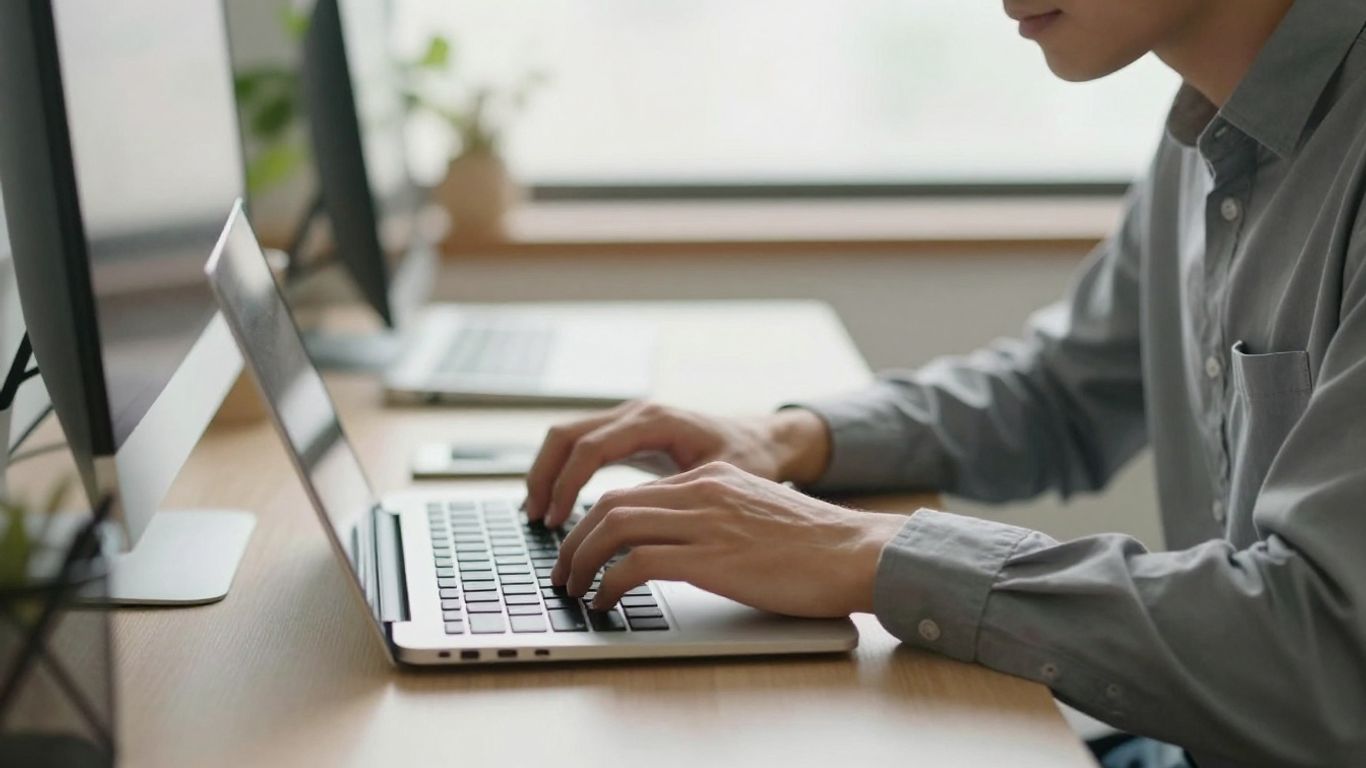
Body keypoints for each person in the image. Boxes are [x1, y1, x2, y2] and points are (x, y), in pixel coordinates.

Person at [524, 1, 1366, 765]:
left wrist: (867, 552)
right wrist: (794, 438)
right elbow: (1062, 393)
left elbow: (1329, 656)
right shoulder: (1207, 125)